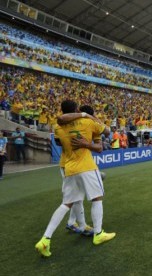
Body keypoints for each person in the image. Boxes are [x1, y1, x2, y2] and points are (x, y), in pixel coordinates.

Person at [35, 100, 115, 258]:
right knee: (97, 198)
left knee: (66, 203)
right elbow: (107, 132)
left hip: (69, 167)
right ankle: (98, 233)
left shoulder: (58, 127)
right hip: (86, 166)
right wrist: (90, 119)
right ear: (77, 109)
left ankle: (45, 239)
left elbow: (60, 135)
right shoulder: (88, 122)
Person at [57, 105, 105, 236]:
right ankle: (79, 225)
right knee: (76, 198)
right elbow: (105, 134)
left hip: (67, 163)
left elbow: (58, 142)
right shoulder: (86, 123)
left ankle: (73, 222)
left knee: (77, 196)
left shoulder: (64, 125)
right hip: (72, 164)